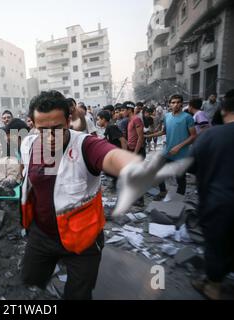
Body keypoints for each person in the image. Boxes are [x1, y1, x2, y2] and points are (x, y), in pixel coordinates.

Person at [19, 91, 182, 300]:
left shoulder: (86, 145)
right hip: (41, 235)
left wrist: (136, 168)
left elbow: (111, 156)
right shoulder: (28, 145)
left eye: (57, 129)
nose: (51, 138)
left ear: (68, 121)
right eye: (43, 130)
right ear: (32, 124)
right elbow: (28, 175)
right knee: (30, 281)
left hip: (83, 238)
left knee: (79, 295)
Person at [190, 95, 234, 300]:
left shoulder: (211, 136)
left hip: (219, 204)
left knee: (216, 246)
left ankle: (214, 287)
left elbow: (192, 166)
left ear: (223, 110)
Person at [147, 94, 196, 201]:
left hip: (181, 153)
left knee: (180, 178)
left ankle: (179, 198)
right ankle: (163, 191)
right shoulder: (167, 116)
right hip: (168, 151)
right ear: (169, 104)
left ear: (182, 104)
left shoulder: (187, 117)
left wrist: (179, 146)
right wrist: (148, 135)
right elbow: (163, 132)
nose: (176, 104)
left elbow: (193, 136)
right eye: (173, 102)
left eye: (178, 102)